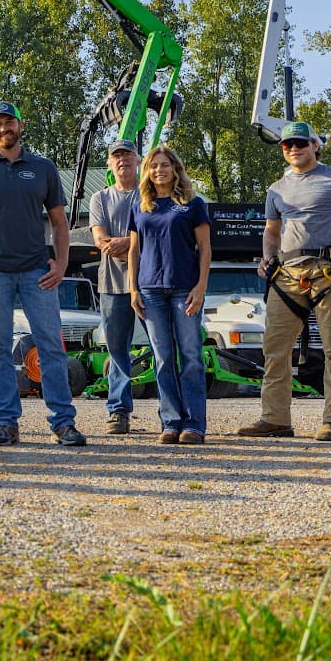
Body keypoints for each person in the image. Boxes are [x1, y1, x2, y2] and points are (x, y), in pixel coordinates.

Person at [241, 121, 331, 442]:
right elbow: (271, 231)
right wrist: (267, 258)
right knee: (275, 348)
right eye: (287, 145)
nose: (294, 149)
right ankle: (275, 419)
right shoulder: (276, 189)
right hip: (287, 274)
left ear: (315, 145)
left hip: (328, 271)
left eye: (301, 143)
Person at [0, 101, 87, 447]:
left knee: (51, 348)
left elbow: (59, 222)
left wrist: (60, 263)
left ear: (20, 125)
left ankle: (62, 423)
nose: (3, 128)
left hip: (36, 273)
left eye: (8, 121)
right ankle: (6, 423)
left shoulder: (43, 168)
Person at [126, 145, 212, 444]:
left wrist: (201, 287)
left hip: (184, 290)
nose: (159, 170)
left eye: (165, 165)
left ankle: (194, 425)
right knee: (162, 359)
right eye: (153, 166)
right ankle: (171, 422)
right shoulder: (140, 206)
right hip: (150, 291)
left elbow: (205, 249)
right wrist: (133, 288)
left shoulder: (192, 204)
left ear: (175, 169)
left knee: (190, 357)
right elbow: (134, 251)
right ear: (147, 172)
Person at [89, 139, 141, 435]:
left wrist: (127, 243)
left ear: (138, 160)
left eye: (127, 155)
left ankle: (170, 413)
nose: (122, 160)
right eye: (116, 156)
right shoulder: (100, 198)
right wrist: (135, 245)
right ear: (110, 164)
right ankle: (118, 411)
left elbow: (156, 235)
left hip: (148, 282)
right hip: (111, 284)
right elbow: (101, 241)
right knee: (117, 350)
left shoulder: (148, 194)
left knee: (162, 349)